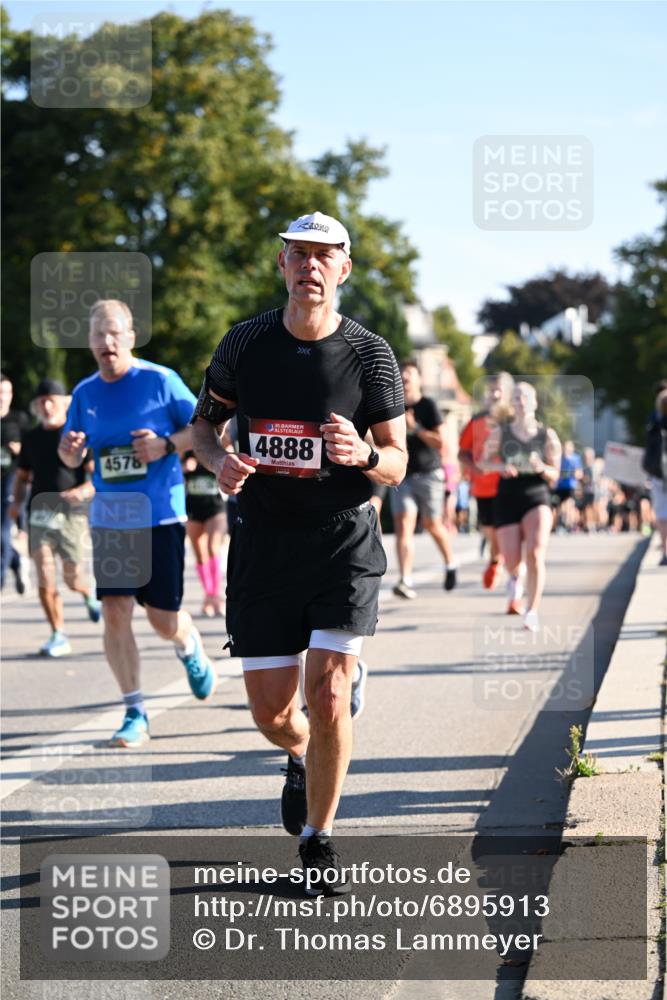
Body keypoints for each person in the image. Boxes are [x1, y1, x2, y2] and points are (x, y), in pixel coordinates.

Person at [192, 211, 406, 889]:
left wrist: (365, 454)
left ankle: (318, 842)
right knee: (272, 714)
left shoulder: (370, 354)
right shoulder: (246, 343)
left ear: (343, 269)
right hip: (262, 543)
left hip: (342, 538)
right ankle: (303, 753)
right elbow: (202, 429)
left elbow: (398, 461)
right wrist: (214, 463)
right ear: (280, 264)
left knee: (330, 693)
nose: (310, 266)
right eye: (299, 254)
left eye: (325, 256)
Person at [58, 299, 216, 748]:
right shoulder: (85, 393)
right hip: (112, 518)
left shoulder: (160, 381)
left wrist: (167, 445)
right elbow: (70, 454)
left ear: (130, 336)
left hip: (160, 514)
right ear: (89, 342)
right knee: (115, 610)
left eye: (114, 333)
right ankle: (134, 710)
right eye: (97, 335)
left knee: (162, 619)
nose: (106, 342)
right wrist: (69, 451)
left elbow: (209, 431)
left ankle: (187, 644)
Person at [9, 379, 100, 655]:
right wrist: (16, 503)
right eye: (41, 401)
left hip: (71, 515)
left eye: (52, 400)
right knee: (45, 574)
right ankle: (58, 634)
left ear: (65, 403)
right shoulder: (32, 437)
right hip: (39, 513)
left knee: (73, 578)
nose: (46, 405)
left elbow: (96, 478)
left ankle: (88, 593)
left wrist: (83, 492)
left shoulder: (77, 436)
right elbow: (23, 476)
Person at [481, 382, 561, 632]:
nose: (521, 400)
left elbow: (555, 474)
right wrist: (500, 468)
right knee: (512, 559)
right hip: (508, 495)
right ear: (512, 403)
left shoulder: (547, 434)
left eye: (526, 396)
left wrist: (542, 468)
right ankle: (515, 577)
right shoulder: (500, 433)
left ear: (535, 402)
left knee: (536, 553)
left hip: (537, 494)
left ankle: (532, 610)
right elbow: (483, 462)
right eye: (516, 396)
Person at [389, 360, 456, 600]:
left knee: (432, 525)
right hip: (403, 475)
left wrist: (415, 428)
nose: (405, 378)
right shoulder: (393, 404)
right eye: (402, 374)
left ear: (418, 379)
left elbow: (441, 442)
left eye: (409, 374)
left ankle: (450, 563)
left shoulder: (428, 406)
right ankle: (405, 579)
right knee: (404, 523)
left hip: (429, 474)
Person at [458, 372, 513, 589]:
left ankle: (507, 572)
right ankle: (495, 559)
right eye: (493, 390)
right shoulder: (477, 420)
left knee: (505, 531)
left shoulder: (513, 420)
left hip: (508, 485)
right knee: (490, 531)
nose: (496, 393)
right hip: (482, 487)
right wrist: (473, 468)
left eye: (500, 389)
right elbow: (462, 452)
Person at [183, 451, 227, 617]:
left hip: (215, 507)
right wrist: (184, 467)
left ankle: (215, 595)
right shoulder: (187, 451)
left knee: (213, 546)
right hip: (193, 508)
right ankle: (209, 595)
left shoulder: (216, 448)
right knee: (200, 554)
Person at [1, 373, 30, 594]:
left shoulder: (19, 419)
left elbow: (30, 454)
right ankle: (16, 561)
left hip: (11, 480)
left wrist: (20, 450)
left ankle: (0, 579)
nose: (3, 397)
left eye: (7, 392)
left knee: (3, 530)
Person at [643, 387, 667, 564]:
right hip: (659, 471)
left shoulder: (653, 421)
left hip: (658, 473)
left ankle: (665, 549)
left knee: (661, 512)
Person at [553, 440, 583, 532]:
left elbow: (579, 474)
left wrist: (571, 474)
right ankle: (561, 524)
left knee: (569, 504)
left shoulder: (576, 458)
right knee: (561, 507)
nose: (566, 449)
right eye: (565, 447)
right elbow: (555, 470)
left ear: (572, 448)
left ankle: (569, 524)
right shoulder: (559, 458)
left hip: (571, 486)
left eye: (569, 447)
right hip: (560, 486)